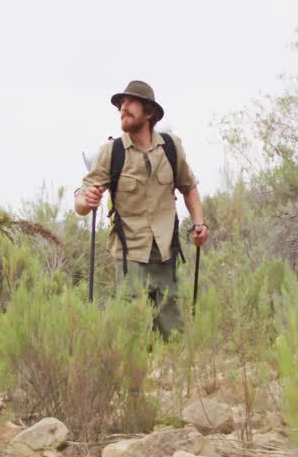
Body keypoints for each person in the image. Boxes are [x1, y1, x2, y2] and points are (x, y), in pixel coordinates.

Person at [75, 80, 209, 339]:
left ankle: (172, 379)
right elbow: (82, 199)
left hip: (166, 256)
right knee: (133, 340)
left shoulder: (171, 148)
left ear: (149, 112)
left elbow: (189, 187)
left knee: (176, 337)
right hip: (130, 259)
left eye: (129, 103)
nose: (122, 108)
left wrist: (199, 224)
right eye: (120, 104)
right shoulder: (111, 152)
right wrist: (85, 201)